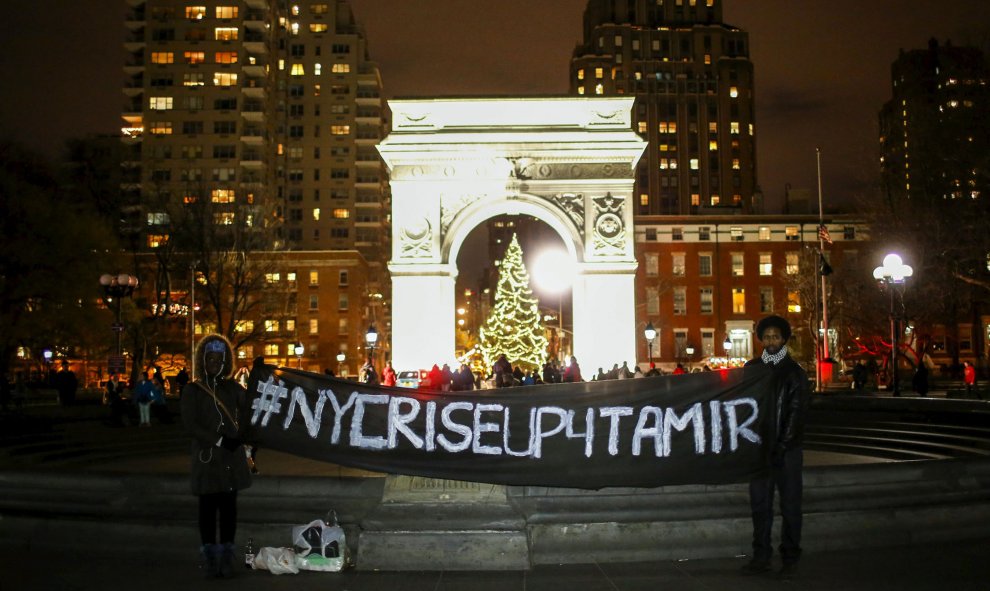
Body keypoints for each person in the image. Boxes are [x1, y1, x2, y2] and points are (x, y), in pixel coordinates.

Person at [181, 334, 253, 578]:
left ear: (226, 361)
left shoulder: (233, 388)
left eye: (219, 359)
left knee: (229, 508)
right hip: (208, 458)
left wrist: (261, 374)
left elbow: (250, 405)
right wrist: (220, 440)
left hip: (231, 460)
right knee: (208, 509)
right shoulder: (192, 390)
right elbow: (190, 424)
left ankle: (226, 555)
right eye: (210, 358)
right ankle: (211, 556)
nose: (215, 363)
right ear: (203, 360)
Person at [742, 315, 809, 577]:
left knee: (790, 505)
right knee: (760, 505)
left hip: (787, 451)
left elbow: (796, 412)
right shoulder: (752, 368)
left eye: (776, 336)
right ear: (761, 339)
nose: (771, 341)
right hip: (759, 448)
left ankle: (790, 557)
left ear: (783, 339)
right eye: (767, 336)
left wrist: (782, 446)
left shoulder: (794, 373)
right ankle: (761, 556)